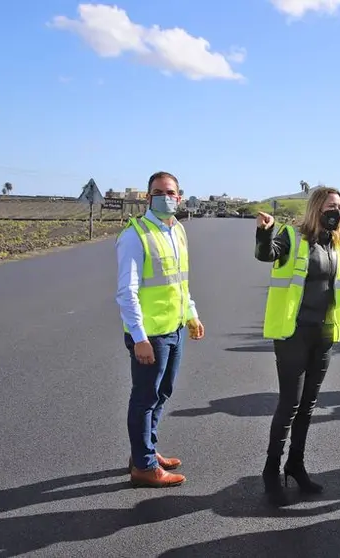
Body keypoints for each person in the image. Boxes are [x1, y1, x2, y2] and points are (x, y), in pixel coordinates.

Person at [255, 186, 340, 506]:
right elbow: (266, 254)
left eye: (338, 206)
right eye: (328, 205)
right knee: (290, 405)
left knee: (308, 405)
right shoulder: (292, 237)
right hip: (294, 333)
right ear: (315, 208)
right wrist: (265, 233)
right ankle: (271, 472)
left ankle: (295, 465)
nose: (334, 211)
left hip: (323, 335)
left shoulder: (337, 246)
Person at [115, 171, 205, 488]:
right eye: (159, 191)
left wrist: (191, 314)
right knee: (145, 398)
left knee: (162, 393)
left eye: (172, 192)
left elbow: (179, 281)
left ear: (179, 197)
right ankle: (143, 466)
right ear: (148, 197)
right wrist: (139, 338)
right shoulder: (135, 234)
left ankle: (145, 451)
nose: (166, 196)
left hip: (175, 328)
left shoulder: (177, 230)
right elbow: (127, 292)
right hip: (150, 335)